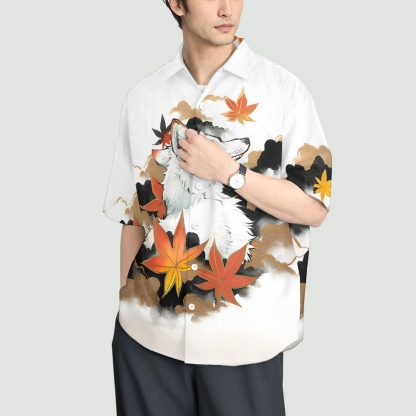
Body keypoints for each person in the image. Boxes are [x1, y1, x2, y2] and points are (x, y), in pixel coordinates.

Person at [102, 0, 332, 415]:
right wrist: (125, 309)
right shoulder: (144, 96)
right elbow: (132, 217)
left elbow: (314, 207)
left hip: (245, 342)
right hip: (146, 341)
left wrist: (230, 171)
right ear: (177, 4)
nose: (228, 8)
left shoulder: (283, 90)